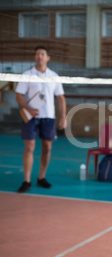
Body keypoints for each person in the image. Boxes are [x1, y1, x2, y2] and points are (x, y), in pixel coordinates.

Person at [16, 46, 67, 193]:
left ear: (48, 58)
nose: (40, 56)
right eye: (37, 53)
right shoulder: (27, 74)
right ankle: (26, 180)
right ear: (34, 57)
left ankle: (41, 177)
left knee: (47, 147)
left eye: (42, 54)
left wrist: (63, 117)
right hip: (31, 116)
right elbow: (19, 95)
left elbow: (61, 98)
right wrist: (29, 109)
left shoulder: (54, 76)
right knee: (29, 146)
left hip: (48, 116)